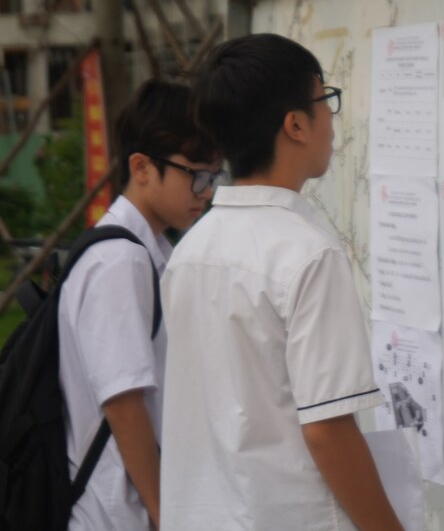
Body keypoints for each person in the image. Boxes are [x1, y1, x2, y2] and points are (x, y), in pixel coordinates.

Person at [159, 34, 404, 531]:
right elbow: (328, 431)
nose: (331, 118)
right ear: (295, 124)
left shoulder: (189, 252)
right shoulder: (308, 254)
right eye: (325, 99)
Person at [58, 79, 224, 530]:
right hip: (112, 514)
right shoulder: (120, 261)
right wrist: (166, 514)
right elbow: (124, 404)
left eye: (214, 176)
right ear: (142, 167)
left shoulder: (141, 251)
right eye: (196, 175)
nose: (207, 192)